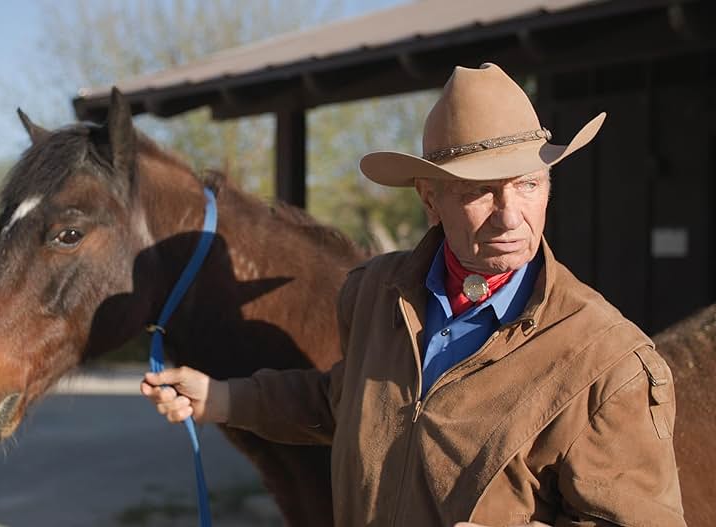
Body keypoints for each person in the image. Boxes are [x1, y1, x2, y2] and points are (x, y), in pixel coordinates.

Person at [141, 63, 685, 527]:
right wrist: (222, 399)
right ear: (431, 198)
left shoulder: (611, 365)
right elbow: (346, 401)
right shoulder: (375, 293)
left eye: (529, 184)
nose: (510, 216)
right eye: (479, 191)